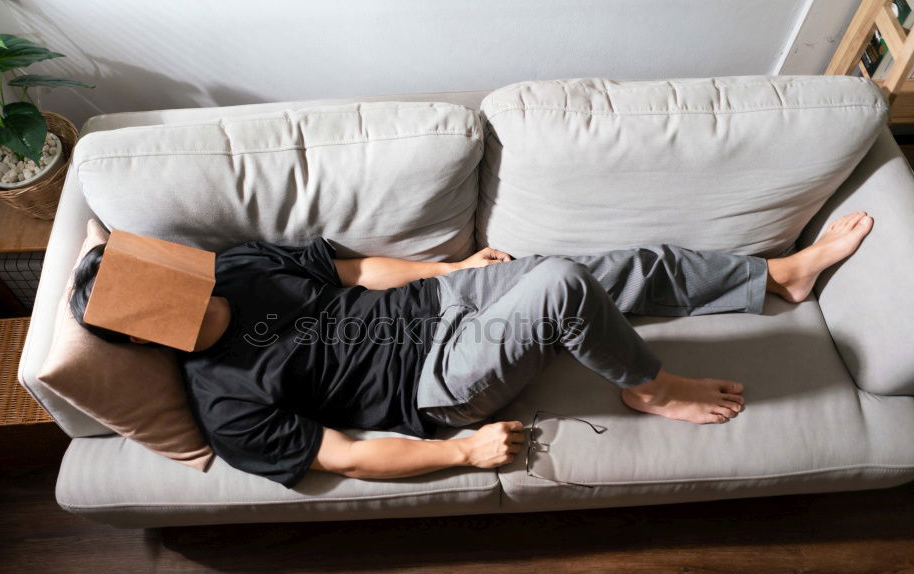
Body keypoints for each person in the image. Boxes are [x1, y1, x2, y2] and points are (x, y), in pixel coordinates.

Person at [69, 211, 874, 489]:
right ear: (144, 329)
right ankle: (651, 386)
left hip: (439, 301)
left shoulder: (235, 266)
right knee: (561, 285)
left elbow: (354, 269)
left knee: (610, 270)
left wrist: (452, 267)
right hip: (438, 380)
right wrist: (462, 454)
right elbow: (344, 454)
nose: (179, 270)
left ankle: (778, 277)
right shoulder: (224, 404)